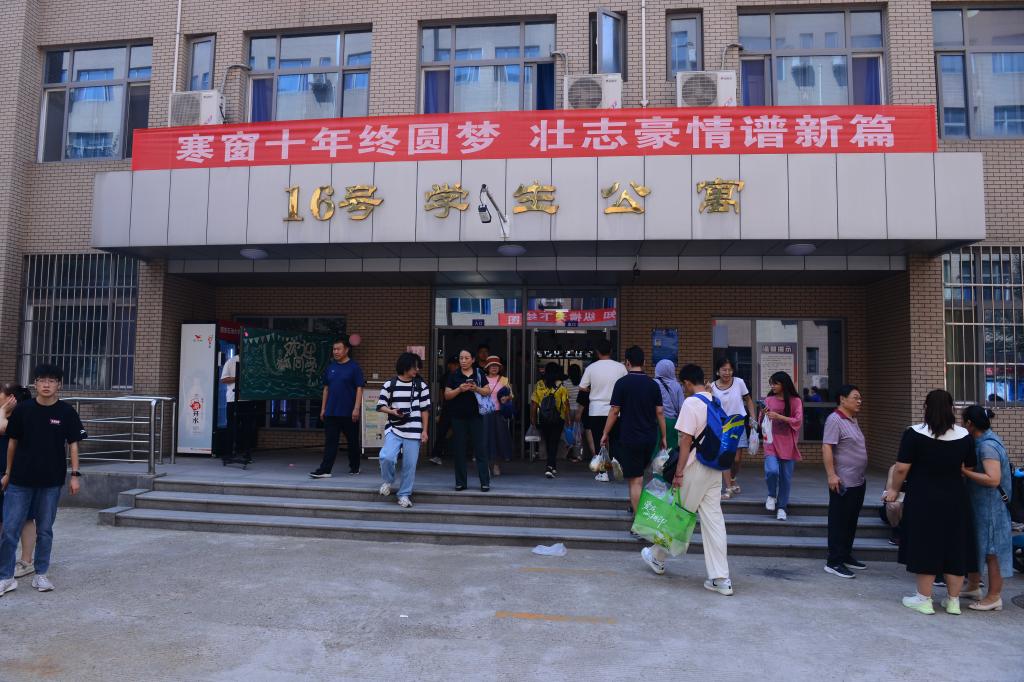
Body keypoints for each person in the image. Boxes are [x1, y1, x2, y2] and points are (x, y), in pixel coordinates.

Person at [640, 363, 733, 596]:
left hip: (694, 466)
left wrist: (679, 472)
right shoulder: (714, 401)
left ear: (688, 383)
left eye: (684, 385)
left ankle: (657, 556)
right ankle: (721, 578)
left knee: (678, 516)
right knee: (714, 522)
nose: (683, 388)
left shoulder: (691, 403)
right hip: (714, 468)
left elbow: (685, 440)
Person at [884, 389, 976, 615]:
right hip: (956, 498)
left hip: (923, 498)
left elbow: (902, 468)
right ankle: (953, 601)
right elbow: (969, 467)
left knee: (926, 544)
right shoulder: (964, 435)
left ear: (926, 408)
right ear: (952, 409)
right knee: (955, 546)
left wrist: (893, 490)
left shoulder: (913, 433)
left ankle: (924, 599)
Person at [0, 364, 86, 597]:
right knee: (10, 529)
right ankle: (5, 577)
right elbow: (12, 443)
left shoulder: (66, 412)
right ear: (35, 384)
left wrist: (75, 475)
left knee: (45, 530)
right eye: (42, 380)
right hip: (19, 480)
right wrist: (8, 472)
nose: (46, 385)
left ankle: (41, 574)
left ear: (59, 385)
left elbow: (73, 444)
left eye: (52, 380)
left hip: (51, 481)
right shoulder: (23, 410)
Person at [960, 405, 1013, 611]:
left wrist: (965, 472)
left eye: (963, 421)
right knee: (977, 545)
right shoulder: (983, 441)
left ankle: (994, 597)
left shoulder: (987, 447)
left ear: (970, 424)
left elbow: (993, 479)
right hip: (982, 504)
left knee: (992, 552)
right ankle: (973, 586)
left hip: (991, 506)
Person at [601, 347, 666, 514]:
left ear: (627, 363)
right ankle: (635, 505)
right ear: (644, 362)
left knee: (635, 479)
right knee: (639, 476)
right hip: (650, 437)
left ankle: (638, 520)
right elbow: (660, 412)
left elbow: (614, 411)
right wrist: (664, 436)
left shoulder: (622, 383)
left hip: (630, 437)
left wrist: (605, 433)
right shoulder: (653, 384)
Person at [822, 384, 869, 578]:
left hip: (858, 481)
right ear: (842, 399)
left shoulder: (852, 419)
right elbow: (827, 447)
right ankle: (834, 561)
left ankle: (845, 555)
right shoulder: (835, 419)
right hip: (842, 482)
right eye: (855, 397)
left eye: (860, 398)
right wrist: (831, 475)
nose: (859, 401)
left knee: (851, 521)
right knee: (839, 522)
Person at [376, 353, 431, 509]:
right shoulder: (390, 384)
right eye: (414, 367)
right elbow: (380, 406)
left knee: (409, 465)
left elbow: (425, 410)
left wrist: (425, 431)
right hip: (394, 428)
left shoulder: (421, 386)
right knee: (386, 456)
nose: (417, 370)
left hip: (414, 431)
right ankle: (388, 481)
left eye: (418, 367)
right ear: (405, 366)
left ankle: (404, 494)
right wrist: (392, 411)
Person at [311, 336, 366, 478]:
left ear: (346, 350)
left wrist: (356, 408)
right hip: (331, 412)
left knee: (352, 442)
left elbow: (359, 388)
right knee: (330, 442)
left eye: (338, 349)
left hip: (349, 412)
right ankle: (325, 470)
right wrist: (323, 409)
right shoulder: (331, 367)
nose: (335, 352)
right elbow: (326, 389)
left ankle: (354, 467)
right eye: (334, 349)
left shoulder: (354, 367)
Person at [0, 383, 36, 579]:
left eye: (2, 394)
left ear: (11, 399)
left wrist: (2, 412)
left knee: (25, 518)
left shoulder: (19, 419)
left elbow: (3, 429)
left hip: (16, 475)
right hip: (5, 474)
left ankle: (26, 561)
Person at [579, 339, 627, 482]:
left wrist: (593, 389)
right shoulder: (620, 367)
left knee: (599, 441)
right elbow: (626, 385)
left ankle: (603, 473)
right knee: (616, 439)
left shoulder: (591, 368)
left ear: (597, 352)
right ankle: (616, 460)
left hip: (596, 410)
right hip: (616, 410)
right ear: (611, 351)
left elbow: (582, 387)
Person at [445, 349, 491, 491]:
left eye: (466, 358)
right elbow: (447, 395)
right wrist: (459, 389)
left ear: (472, 360)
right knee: (459, 450)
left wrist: (475, 388)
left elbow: (487, 391)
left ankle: (484, 482)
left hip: (476, 417)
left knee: (480, 449)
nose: (463, 361)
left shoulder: (479, 373)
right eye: (461, 358)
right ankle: (460, 482)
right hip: (458, 417)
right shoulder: (454, 375)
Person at [710, 358, 756, 500]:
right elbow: (710, 407)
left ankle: (733, 478)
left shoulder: (739, 382)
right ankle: (728, 488)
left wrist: (752, 418)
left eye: (730, 370)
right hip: (722, 426)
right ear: (718, 371)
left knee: (736, 459)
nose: (727, 372)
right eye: (724, 370)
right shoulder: (712, 387)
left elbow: (748, 400)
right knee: (725, 457)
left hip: (738, 424)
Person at [762, 371, 802, 521]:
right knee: (772, 471)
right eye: (771, 383)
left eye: (775, 383)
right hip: (771, 442)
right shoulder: (769, 400)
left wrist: (779, 416)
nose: (772, 386)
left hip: (788, 444)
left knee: (786, 478)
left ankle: (782, 508)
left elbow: (798, 421)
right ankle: (772, 494)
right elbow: (762, 421)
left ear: (784, 384)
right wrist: (763, 414)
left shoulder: (795, 401)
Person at [531, 362, 569, 479]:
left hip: (543, 418)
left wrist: (533, 419)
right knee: (554, 442)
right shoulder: (561, 386)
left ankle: (552, 465)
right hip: (558, 418)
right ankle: (550, 466)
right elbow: (566, 404)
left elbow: (534, 404)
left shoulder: (539, 385)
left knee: (548, 441)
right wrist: (568, 419)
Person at [219, 352, 258, 463]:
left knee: (247, 428)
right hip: (233, 399)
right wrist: (238, 378)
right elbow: (223, 380)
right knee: (231, 427)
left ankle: (247, 453)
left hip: (248, 399)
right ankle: (229, 453)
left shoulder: (252, 362)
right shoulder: (231, 361)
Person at [483, 356, 513, 477]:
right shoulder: (482, 379)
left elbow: (511, 395)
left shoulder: (504, 380)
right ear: (487, 368)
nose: (494, 368)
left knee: (499, 438)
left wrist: (507, 398)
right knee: (485, 439)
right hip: (485, 413)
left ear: (500, 368)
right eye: (491, 366)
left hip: (499, 413)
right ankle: (485, 466)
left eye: (496, 366)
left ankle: (496, 465)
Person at [429, 356, 458, 466]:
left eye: (456, 364)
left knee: (461, 431)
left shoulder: (462, 375)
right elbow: (442, 394)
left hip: (460, 408)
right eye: (453, 364)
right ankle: (436, 455)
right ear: (448, 365)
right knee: (442, 431)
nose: (455, 366)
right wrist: (440, 408)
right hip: (447, 408)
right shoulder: (445, 377)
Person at [654, 360, 684, 453]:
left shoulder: (653, 383)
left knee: (656, 450)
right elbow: (681, 407)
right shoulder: (677, 386)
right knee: (671, 451)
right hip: (672, 422)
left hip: (656, 421)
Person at [562, 364, 584, 463]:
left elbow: (564, 398)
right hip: (579, 410)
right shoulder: (582, 383)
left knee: (568, 430)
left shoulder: (565, 383)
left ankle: (569, 446)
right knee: (578, 432)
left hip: (568, 409)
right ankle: (578, 454)